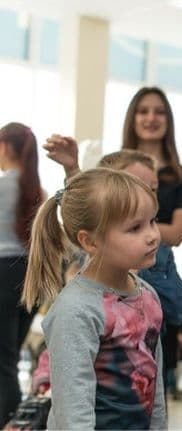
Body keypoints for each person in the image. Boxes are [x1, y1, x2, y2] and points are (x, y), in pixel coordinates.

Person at [45, 86, 182, 394]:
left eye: (152, 192)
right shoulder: (81, 304)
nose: (151, 118)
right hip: (107, 342)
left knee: (149, 389)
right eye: (143, 111)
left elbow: (179, 302)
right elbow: (90, 206)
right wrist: (73, 169)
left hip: (153, 316)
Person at [21, 168, 166, 429]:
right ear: (90, 242)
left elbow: (155, 392)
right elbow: (72, 410)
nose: (152, 235)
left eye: (153, 221)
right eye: (135, 228)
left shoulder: (148, 296)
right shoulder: (76, 310)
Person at [0, 122, 43, 425]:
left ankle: (9, 422)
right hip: (31, 278)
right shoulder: (38, 192)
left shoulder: (3, 186)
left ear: (4, 147)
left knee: (3, 363)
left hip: (2, 274)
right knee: (9, 359)